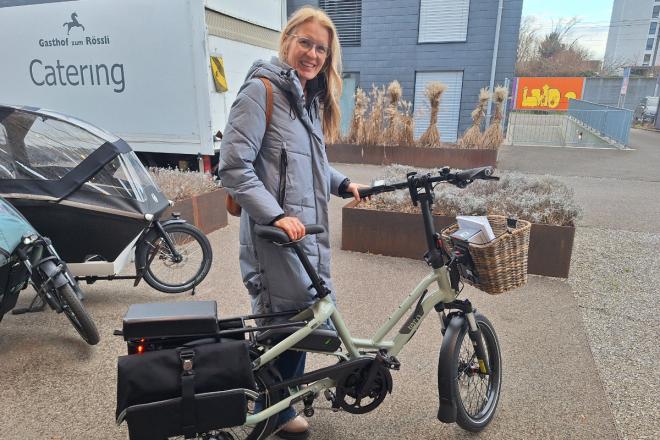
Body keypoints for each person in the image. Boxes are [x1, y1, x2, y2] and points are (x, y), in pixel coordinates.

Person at [218, 6, 365, 440]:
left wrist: (342, 184)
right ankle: (269, 413)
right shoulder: (261, 90)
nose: (312, 53)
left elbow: (309, 165)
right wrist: (277, 215)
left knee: (304, 320)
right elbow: (234, 166)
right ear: (287, 42)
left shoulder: (307, 98)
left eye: (321, 48)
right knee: (284, 324)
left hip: (304, 236)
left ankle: (277, 410)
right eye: (305, 42)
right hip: (275, 237)